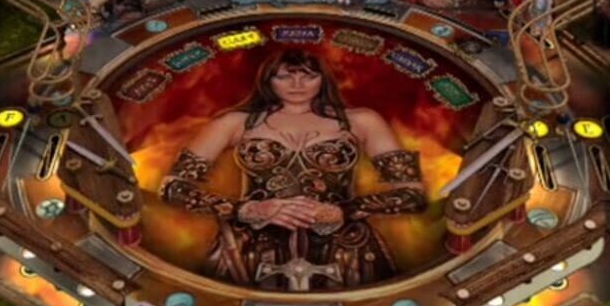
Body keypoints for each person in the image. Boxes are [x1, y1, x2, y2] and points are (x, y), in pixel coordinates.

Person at [160, 49, 427, 290]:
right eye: (284, 76)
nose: (297, 85)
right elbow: (172, 188)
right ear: (268, 79)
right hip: (249, 252)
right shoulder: (234, 122)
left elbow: (412, 195)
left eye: (308, 76)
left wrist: (343, 211)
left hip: (346, 250)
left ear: (323, 79)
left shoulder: (362, 120)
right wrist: (247, 210)